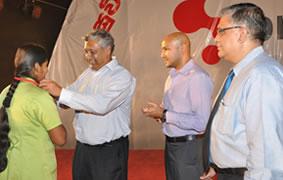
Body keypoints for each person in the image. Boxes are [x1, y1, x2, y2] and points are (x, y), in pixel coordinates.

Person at [200, 3, 283, 180]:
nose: (215, 38)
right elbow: (236, 130)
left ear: (241, 33)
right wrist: (219, 163)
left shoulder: (261, 76)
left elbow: (268, 155)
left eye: (221, 30)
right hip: (231, 172)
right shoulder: (241, 72)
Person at [39, 29, 136, 180]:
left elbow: (102, 105)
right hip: (83, 149)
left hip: (108, 151)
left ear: (108, 50)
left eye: (92, 51)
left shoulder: (121, 76)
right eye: (86, 51)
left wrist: (61, 93)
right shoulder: (87, 74)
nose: (88, 56)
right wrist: (49, 95)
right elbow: (67, 99)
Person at [142, 32, 214, 180]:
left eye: (166, 49)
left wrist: (164, 114)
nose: (162, 55)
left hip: (190, 148)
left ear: (182, 48)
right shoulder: (172, 76)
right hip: (172, 146)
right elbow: (175, 112)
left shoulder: (197, 77)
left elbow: (202, 122)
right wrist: (160, 114)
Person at [0, 44, 67, 180]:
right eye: (45, 65)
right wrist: (52, 105)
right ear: (36, 67)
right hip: (35, 170)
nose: (47, 70)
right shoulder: (40, 96)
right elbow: (60, 139)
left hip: (9, 168)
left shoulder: (5, 92)